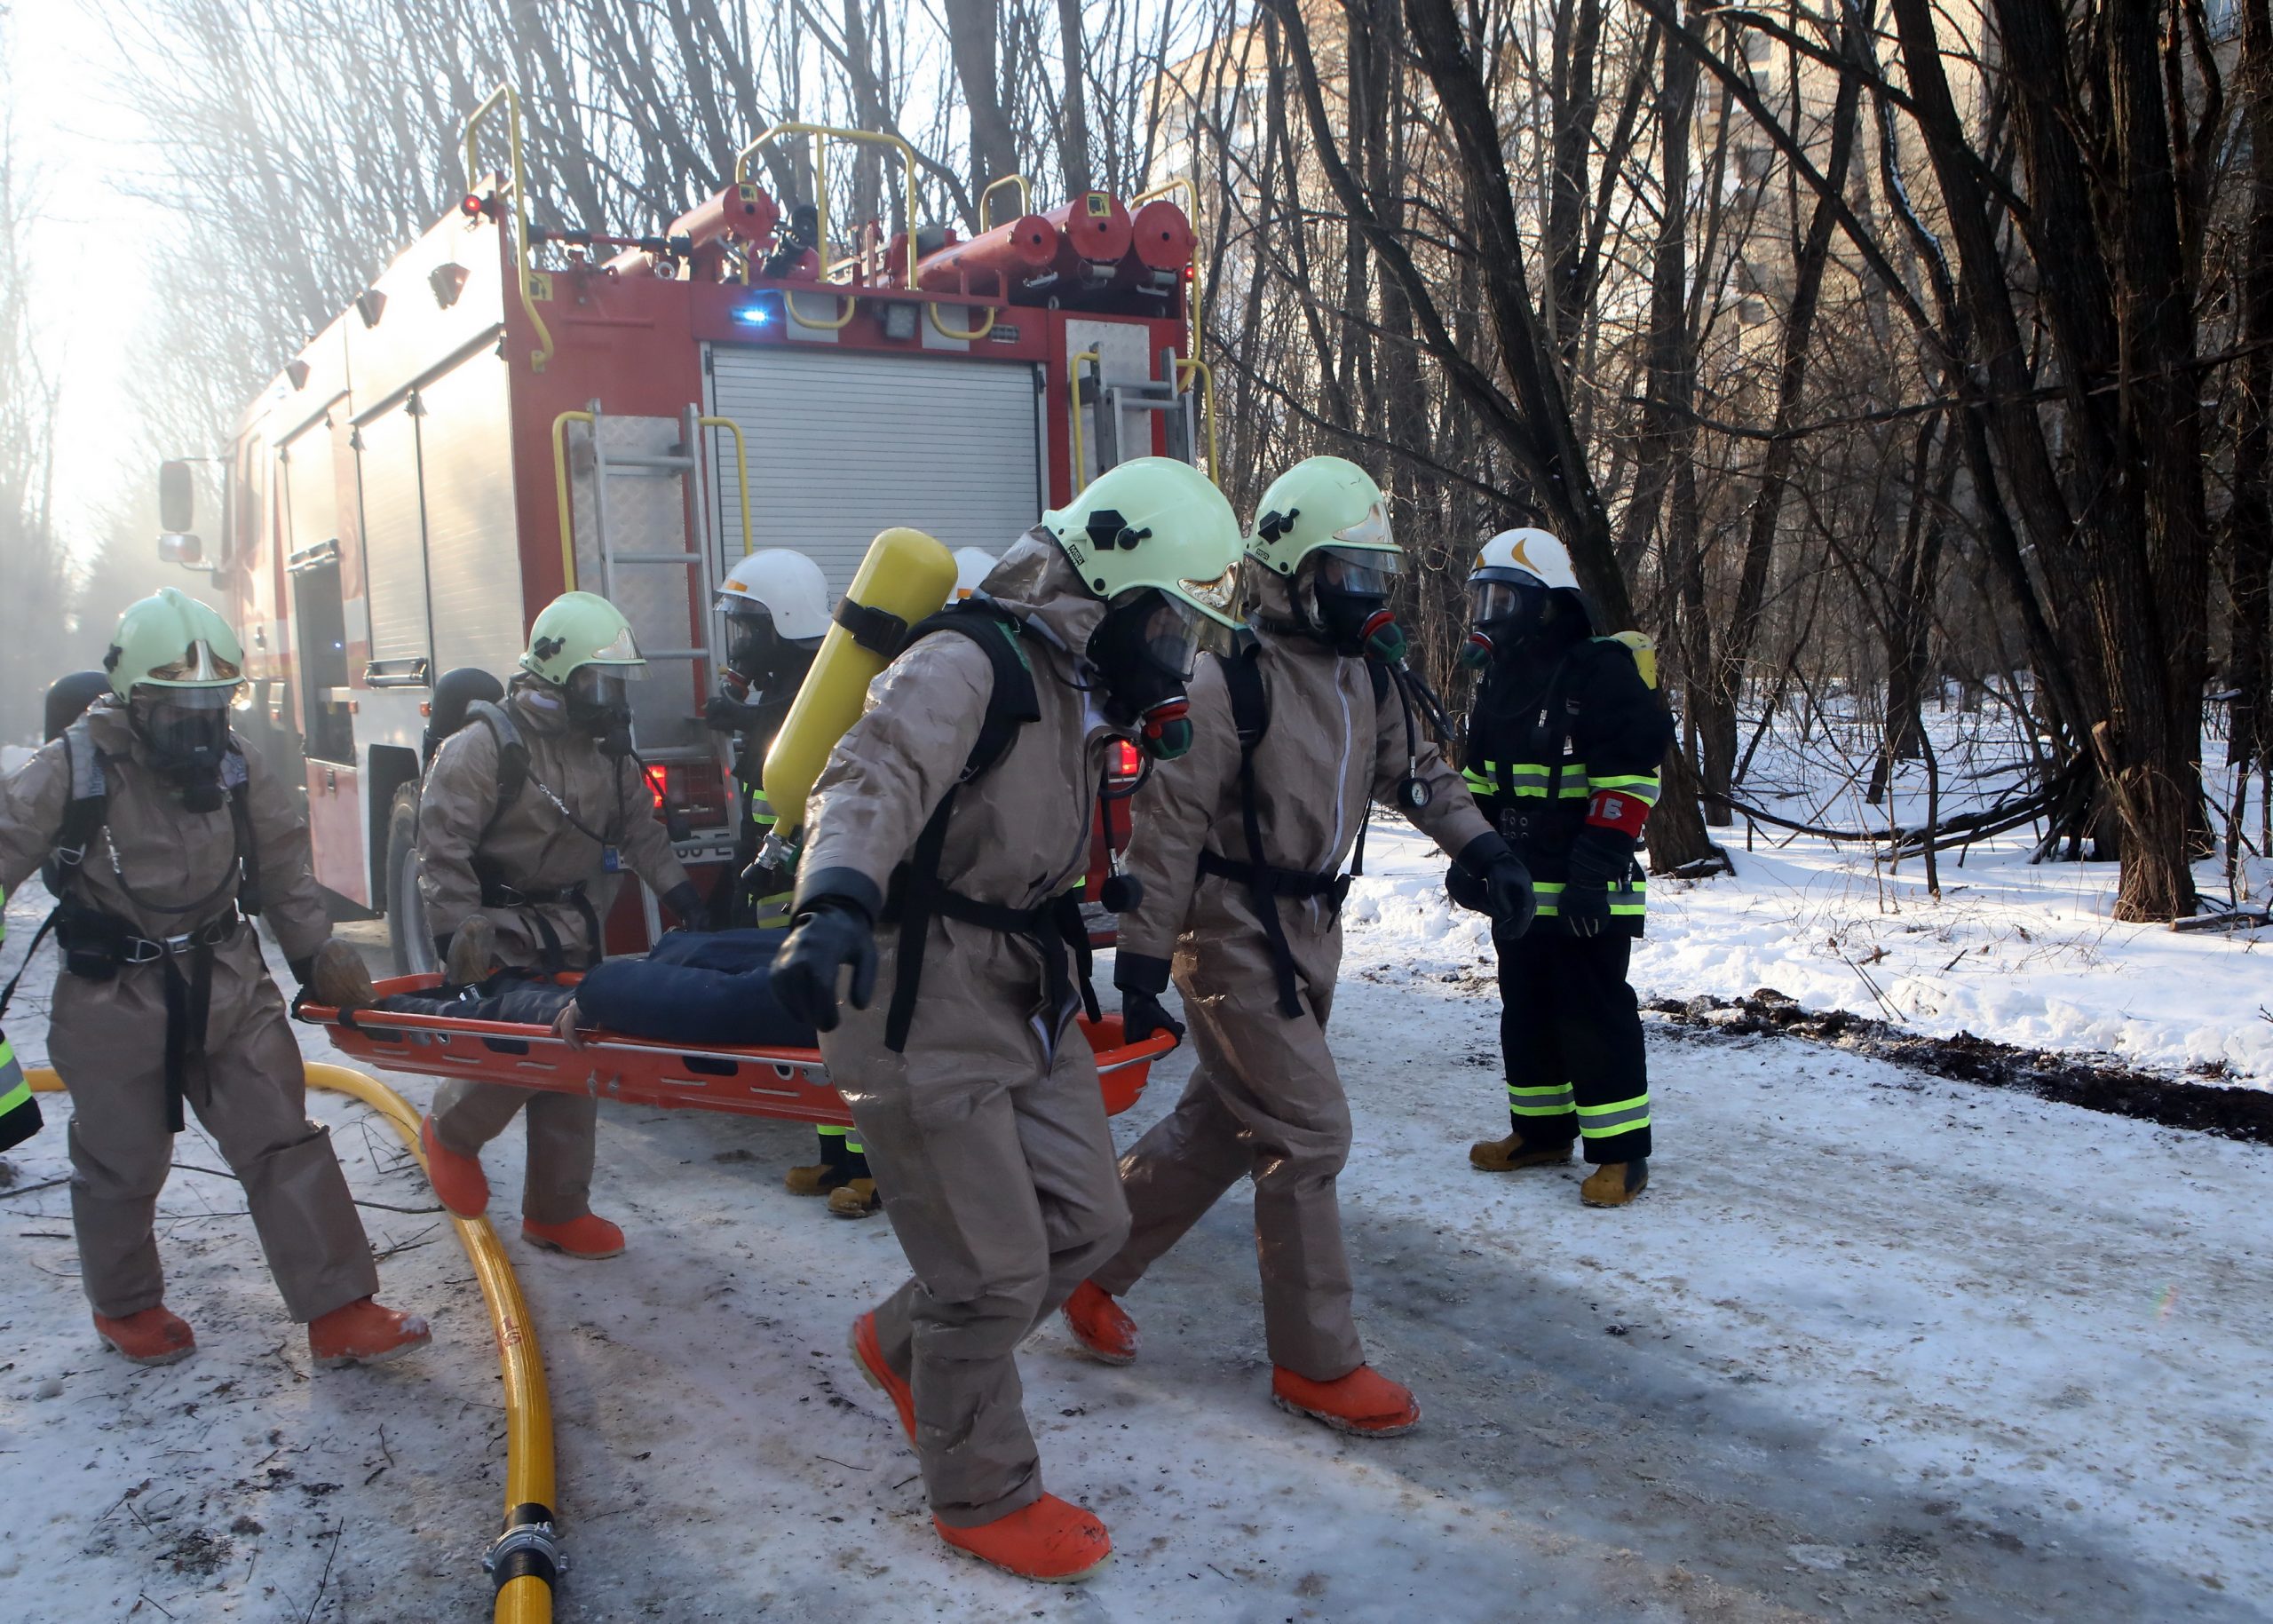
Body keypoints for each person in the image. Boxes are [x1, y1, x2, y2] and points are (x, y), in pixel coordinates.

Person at [767, 456, 1245, 1581]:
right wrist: (833, 897)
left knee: (1083, 1225)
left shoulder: (1078, 680)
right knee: (987, 1272)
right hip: (915, 991)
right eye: (1173, 620)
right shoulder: (966, 659)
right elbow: (867, 773)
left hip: (1025, 987)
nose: (1178, 649)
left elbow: (1010, 831)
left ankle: (900, 1348)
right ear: (1119, 587)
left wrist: (1099, 908)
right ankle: (980, 1490)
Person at [1057, 456, 1532, 1435]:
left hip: (1314, 927)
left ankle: (1085, 1268)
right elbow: (1170, 827)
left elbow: (1424, 774)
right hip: (1230, 932)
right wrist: (1143, 963)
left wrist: (1483, 847)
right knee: (1309, 1132)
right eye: (1346, 573)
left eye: (1376, 574)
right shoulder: (1227, 678)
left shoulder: (1371, 678)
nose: (1366, 595)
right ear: (1290, 569)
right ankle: (1315, 1362)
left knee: (1223, 1126)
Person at [0, 589, 428, 1367]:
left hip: (226, 978)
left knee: (282, 1137)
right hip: (113, 998)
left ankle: (340, 1308)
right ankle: (127, 1304)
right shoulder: (72, 768)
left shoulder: (236, 761)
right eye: (179, 706)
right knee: (121, 1160)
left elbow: (284, 862)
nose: (200, 723)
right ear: (134, 699)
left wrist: (314, 960)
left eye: (214, 702)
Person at [416, 590, 707, 1257]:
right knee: (523, 1046)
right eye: (600, 681)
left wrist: (684, 896)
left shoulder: (604, 753)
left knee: (579, 1052)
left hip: (574, 924)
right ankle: (451, 1133)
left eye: (617, 683)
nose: (612, 699)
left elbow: (641, 831)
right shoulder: (486, 747)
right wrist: (459, 941)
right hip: (499, 927)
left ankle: (556, 1207)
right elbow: (442, 846)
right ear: (559, 676)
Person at [1454, 528, 1670, 1206]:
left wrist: (1593, 872)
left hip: (1587, 891)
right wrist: (1472, 854)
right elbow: (1479, 778)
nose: (1489, 612)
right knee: (1527, 1014)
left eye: (1503, 598)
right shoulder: (1499, 683)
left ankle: (1622, 1154)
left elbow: (1630, 781)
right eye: (1482, 597)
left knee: (1592, 1014)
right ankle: (1542, 1133)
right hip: (1521, 889)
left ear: (1546, 603)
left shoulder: (1597, 672)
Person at [703, 549, 878, 1216]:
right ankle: (834, 1153)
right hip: (777, 876)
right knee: (809, 1024)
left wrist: (749, 719)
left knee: (846, 1020)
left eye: (750, 626)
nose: (741, 642)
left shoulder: (826, 684)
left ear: (782, 621)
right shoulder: (781, 684)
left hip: (818, 876)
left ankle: (873, 1162)